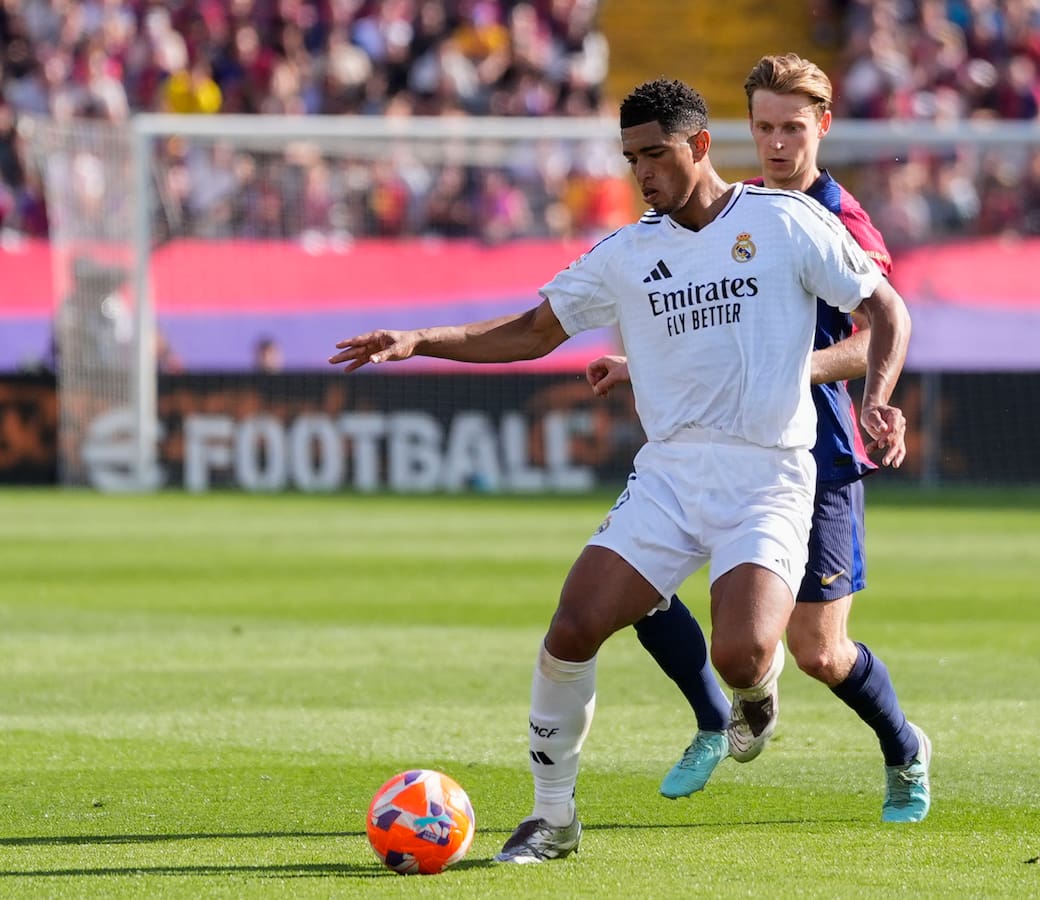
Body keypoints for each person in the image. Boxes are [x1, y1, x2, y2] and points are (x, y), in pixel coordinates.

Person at [328, 77, 911, 864]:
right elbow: (533, 332)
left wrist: (877, 398)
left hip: (767, 474)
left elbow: (886, 311)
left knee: (740, 653)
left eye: (656, 154)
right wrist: (420, 338)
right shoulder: (628, 251)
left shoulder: (786, 222)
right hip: (669, 475)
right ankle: (552, 820)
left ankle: (751, 694)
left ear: (699, 146)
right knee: (571, 628)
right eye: (631, 157)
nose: (643, 173)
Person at [587, 54, 932, 823]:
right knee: (632, 582)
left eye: (793, 128)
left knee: (818, 652)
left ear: (823, 127)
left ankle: (905, 747)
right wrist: (641, 360)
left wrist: (804, 374)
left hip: (814, 451)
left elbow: (876, 327)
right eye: (765, 127)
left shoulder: (841, 220)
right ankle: (716, 717)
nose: (778, 144)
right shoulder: (724, 212)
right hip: (709, 446)